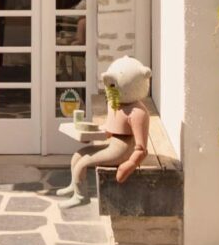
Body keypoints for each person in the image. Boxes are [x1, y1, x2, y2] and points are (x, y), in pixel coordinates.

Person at [57, 55, 151, 207]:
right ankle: (74, 186)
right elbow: (108, 129)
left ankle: (81, 197)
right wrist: (88, 134)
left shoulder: (137, 113)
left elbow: (141, 148)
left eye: (113, 86)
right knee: (77, 156)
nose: (110, 89)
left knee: (83, 163)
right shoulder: (114, 104)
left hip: (124, 151)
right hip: (113, 145)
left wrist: (130, 164)